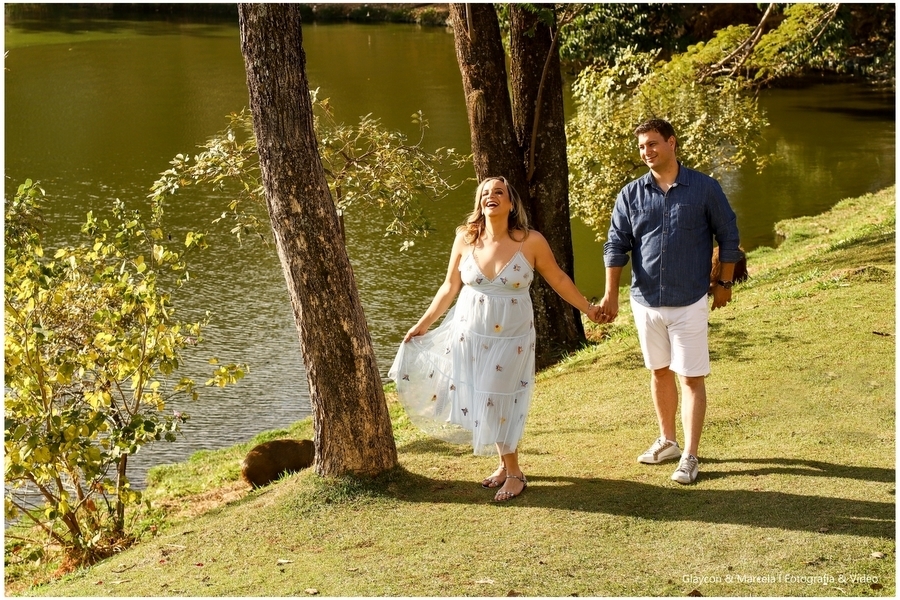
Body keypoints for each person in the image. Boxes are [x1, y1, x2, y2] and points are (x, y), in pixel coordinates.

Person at [389, 176, 599, 502]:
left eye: (498, 192)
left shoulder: (531, 242)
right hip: (468, 333)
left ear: (511, 203)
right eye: (485, 193)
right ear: (479, 203)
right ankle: (504, 466)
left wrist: (588, 308)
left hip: (512, 338)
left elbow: (557, 278)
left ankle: (515, 473)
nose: (491, 197)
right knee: (484, 399)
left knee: (500, 396)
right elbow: (449, 288)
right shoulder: (465, 238)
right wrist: (423, 323)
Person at [595, 118, 743, 484]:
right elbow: (616, 245)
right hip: (645, 302)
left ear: (672, 143)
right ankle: (668, 441)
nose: (647, 152)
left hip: (689, 300)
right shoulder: (630, 194)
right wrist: (611, 294)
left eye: (653, 144)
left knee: (691, 378)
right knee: (659, 371)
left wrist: (724, 281)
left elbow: (728, 235)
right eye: (642, 146)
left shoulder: (704, 188)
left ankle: (690, 456)